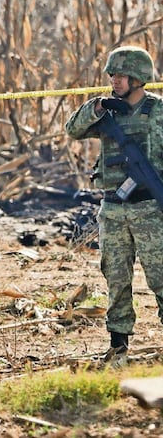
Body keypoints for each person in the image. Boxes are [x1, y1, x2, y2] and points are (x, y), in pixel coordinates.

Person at [65, 45, 163, 357]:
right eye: (111, 74)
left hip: (150, 208)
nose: (114, 80)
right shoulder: (105, 112)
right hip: (113, 209)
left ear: (138, 77)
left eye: (120, 75)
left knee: (160, 275)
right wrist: (96, 107)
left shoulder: (158, 112)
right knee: (116, 277)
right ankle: (118, 346)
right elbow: (72, 130)